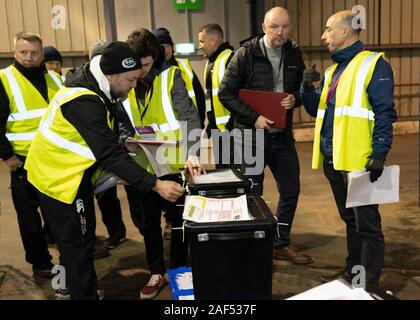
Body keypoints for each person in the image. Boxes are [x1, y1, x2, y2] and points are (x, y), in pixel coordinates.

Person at [25, 41, 184, 300]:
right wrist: (156, 184)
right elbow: (107, 153)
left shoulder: (97, 85)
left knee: (79, 241)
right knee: (77, 243)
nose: (134, 86)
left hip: (70, 174)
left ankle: (78, 288)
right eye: (131, 80)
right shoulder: (83, 101)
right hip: (60, 181)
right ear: (111, 75)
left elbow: (108, 136)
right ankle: (82, 293)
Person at [300, 10, 397, 287]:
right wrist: (307, 87)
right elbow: (314, 109)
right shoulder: (333, 71)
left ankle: (367, 286)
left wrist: (379, 152)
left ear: (345, 32)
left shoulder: (374, 64)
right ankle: (353, 276)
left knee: (367, 226)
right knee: (351, 221)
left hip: (361, 161)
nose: (323, 36)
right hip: (335, 159)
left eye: (328, 29)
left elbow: (384, 112)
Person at [218, 7, 313, 264]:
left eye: (284, 27)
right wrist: (254, 118)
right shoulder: (245, 54)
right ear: (263, 26)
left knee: (291, 190)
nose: (280, 32)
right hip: (251, 138)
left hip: (281, 137)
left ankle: (281, 243)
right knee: (252, 193)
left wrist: (295, 99)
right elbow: (225, 93)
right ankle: (255, 245)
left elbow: (302, 91)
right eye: (274, 27)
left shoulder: (294, 54)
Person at [125, 28, 203, 299]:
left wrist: (193, 152)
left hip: (173, 165)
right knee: (149, 225)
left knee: (181, 222)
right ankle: (156, 271)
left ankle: (180, 271)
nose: (141, 71)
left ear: (154, 57)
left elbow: (188, 115)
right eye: (136, 66)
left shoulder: (171, 76)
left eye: (145, 65)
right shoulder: (127, 80)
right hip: (143, 167)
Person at [0, 31, 62, 278]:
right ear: (14, 52)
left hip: (54, 160)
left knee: (56, 213)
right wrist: (7, 155)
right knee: (28, 218)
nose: (28, 57)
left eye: (33, 53)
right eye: (23, 52)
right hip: (23, 162)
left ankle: (63, 254)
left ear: (41, 54)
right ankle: (41, 263)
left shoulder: (56, 80)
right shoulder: (4, 79)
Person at [89, 40, 127, 251]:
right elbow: (106, 149)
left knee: (108, 199)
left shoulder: (111, 93)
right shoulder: (87, 96)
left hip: (101, 163)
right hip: (72, 175)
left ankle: (116, 232)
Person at [153, 27, 206, 128]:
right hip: (166, 131)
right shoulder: (152, 72)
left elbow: (199, 94)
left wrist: (200, 120)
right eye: (161, 47)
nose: (166, 50)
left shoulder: (184, 66)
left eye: (168, 46)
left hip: (189, 126)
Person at [198, 24, 235, 167]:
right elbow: (210, 98)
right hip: (219, 132)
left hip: (230, 132)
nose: (199, 46)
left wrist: (230, 126)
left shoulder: (229, 59)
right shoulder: (211, 62)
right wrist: (211, 126)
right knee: (222, 173)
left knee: (232, 175)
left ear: (213, 40)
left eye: (202, 41)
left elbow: (238, 96)